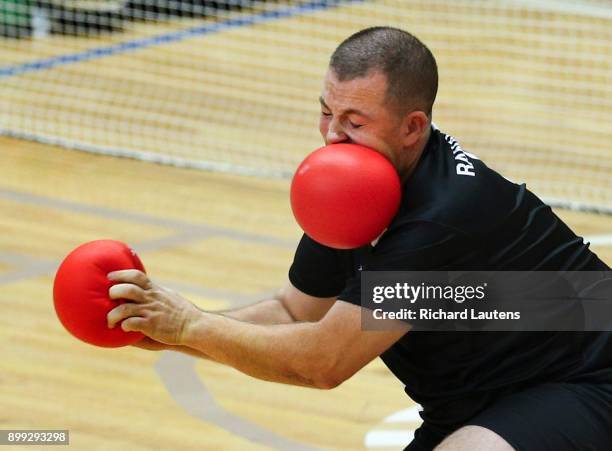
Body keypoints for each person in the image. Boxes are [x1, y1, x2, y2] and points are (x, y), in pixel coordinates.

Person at [105, 27, 612, 450]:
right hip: (479, 397)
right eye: (327, 111)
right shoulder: (353, 188)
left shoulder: (444, 214)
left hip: (588, 381)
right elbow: (294, 312)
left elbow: (322, 362)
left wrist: (191, 327)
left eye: (354, 122)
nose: (331, 136)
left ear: (413, 127)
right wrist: (170, 332)